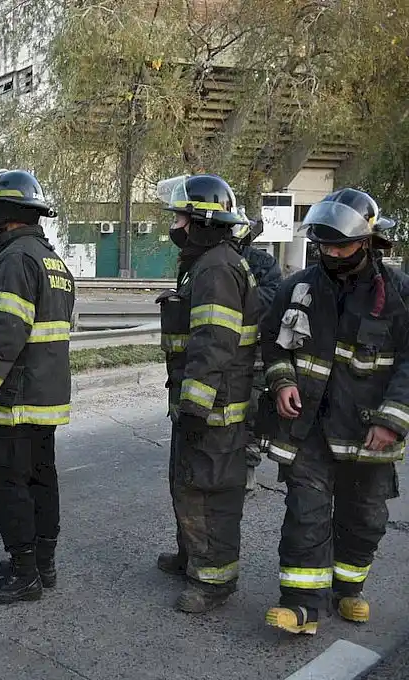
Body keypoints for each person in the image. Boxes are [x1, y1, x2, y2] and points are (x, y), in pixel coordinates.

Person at [259, 188, 407, 635]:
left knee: (365, 518)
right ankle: (301, 605)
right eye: (324, 245)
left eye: (341, 245)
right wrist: (282, 381)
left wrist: (391, 421)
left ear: (367, 242)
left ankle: (348, 589)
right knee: (306, 513)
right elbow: (272, 341)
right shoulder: (299, 287)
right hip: (309, 431)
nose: (332, 253)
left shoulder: (398, 293)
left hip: (368, 432)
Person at [0, 169, 74, 605]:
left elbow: (6, 333)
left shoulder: (15, 259)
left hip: (15, 398)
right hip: (45, 397)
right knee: (42, 480)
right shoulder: (52, 260)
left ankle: (24, 573)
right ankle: (42, 565)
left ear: (2, 216)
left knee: (8, 484)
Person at [154, 173, 259, 613]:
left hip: (216, 408)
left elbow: (213, 342)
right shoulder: (206, 262)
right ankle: (191, 556)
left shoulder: (216, 267)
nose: (175, 225)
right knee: (186, 482)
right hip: (199, 404)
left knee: (210, 490)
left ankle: (214, 581)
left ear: (200, 221)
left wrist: (194, 406)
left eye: (180, 216)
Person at [233, 218, 283, 492]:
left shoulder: (262, 264)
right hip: (221, 354)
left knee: (250, 409)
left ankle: (248, 470)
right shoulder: (207, 262)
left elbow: (270, 298)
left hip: (254, 353)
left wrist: (234, 294)